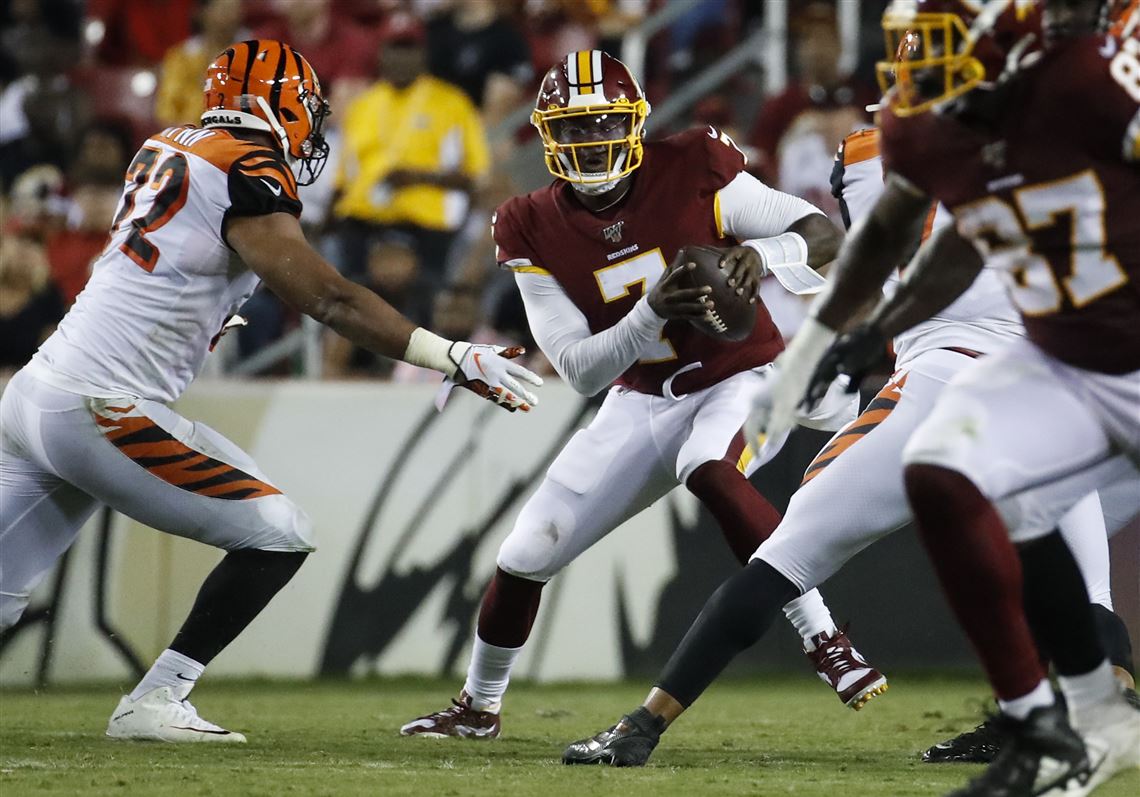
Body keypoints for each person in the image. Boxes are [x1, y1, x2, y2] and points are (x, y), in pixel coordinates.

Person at [0, 39, 541, 744]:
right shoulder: (244, 163)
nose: (313, 128)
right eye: (307, 110)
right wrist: (451, 354)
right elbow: (329, 298)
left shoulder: (168, 143)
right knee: (278, 532)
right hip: (100, 404)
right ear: (277, 104)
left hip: (37, 392)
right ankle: (156, 698)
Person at [559, 119, 1137, 770]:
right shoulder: (1055, 142)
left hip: (940, 379)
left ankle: (641, 726)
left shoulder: (870, 153)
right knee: (1088, 592)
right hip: (1043, 389)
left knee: (782, 561)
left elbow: (861, 250)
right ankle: (1106, 709)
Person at [398, 49, 880, 742]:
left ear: (633, 123)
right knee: (527, 550)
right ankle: (478, 705)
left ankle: (825, 637)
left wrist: (759, 256)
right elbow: (582, 371)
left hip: (741, 373)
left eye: (602, 124)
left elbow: (821, 233)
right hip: (639, 394)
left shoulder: (690, 166)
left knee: (706, 465)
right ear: (548, 136)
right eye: (574, 128)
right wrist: (653, 309)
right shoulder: (527, 222)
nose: (590, 141)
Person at [747, 0, 1140, 794]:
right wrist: (841, 342)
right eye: (908, 57)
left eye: (944, 54)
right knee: (945, 472)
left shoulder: (1091, 82)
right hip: (1075, 356)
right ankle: (1058, 723)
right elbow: (918, 235)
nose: (919, 78)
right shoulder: (925, 122)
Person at [333, 18, 490, 326]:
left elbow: (476, 176)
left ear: (422, 54)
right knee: (343, 290)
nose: (400, 57)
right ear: (381, 53)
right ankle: (339, 365)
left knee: (428, 290)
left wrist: (415, 177)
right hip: (365, 220)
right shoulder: (363, 105)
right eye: (394, 48)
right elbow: (343, 181)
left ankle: (424, 364)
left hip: (428, 221)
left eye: (408, 48)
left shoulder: (452, 102)